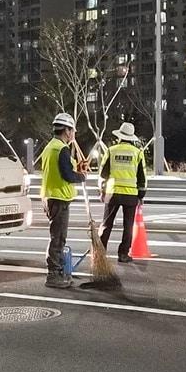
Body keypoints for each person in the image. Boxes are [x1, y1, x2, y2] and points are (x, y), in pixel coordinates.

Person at [39, 112, 88, 288]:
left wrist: (77, 167)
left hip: (50, 196)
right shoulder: (62, 149)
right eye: (72, 130)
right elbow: (67, 175)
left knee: (56, 236)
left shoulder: (51, 147)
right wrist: (82, 177)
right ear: (66, 131)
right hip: (58, 198)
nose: (74, 133)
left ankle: (57, 270)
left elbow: (61, 168)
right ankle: (53, 275)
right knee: (58, 238)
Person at [100, 122, 147, 262]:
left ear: (120, 136)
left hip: (112, 193)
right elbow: (142, 177)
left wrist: (102, 191)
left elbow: (103, 174)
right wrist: (141, 196)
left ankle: (101, 253)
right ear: (132, 138)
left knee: (106, 224)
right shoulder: (138, 153)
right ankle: (123, 254)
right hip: (130, 195)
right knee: (128, 226)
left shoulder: (111, 150)